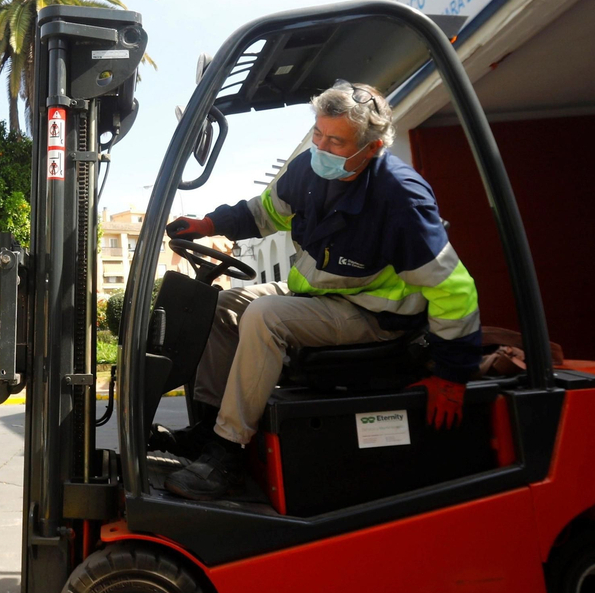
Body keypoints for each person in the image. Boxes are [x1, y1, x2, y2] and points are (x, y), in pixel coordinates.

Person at [158, 81, 481, 501]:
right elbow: (264, 213)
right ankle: (211, 427)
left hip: (374, 316)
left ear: (373, 147)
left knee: (264, 316)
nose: (322, 148)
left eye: (336, 141)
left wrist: (452, 375)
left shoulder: (399, 198)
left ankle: (228, 451)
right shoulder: (308, 170)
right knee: (223, 306)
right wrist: (210, 224)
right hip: (319, 299)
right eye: (318, 134)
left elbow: (454, 289)